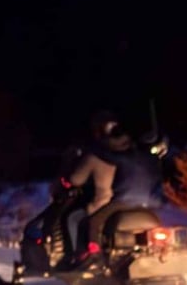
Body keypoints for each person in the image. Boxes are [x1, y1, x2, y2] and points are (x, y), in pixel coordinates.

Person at [61, 109, 167, 267]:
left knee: (94, 222)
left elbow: (100, 158)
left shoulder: (121, 158)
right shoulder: (152, 160)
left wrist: (88, 149)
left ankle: (93, 255)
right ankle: (164, 253)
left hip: (125, 201)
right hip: (151, 202)